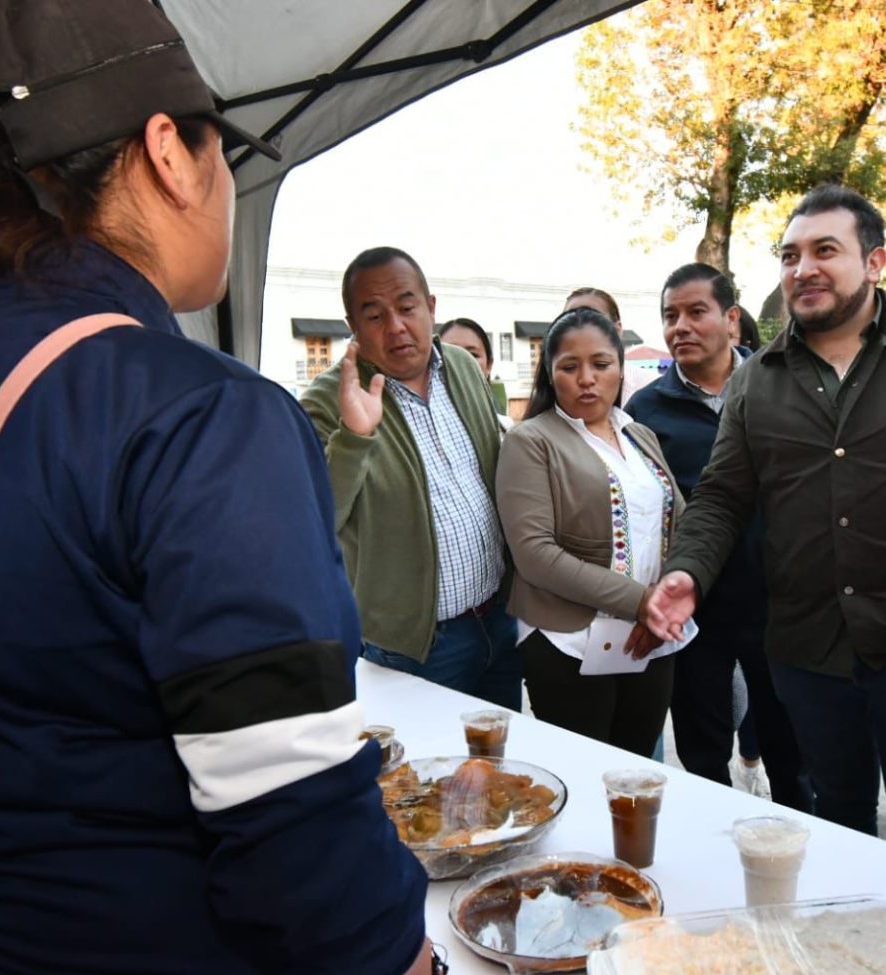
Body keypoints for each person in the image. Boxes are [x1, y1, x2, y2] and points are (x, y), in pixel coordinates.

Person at [0, 3, 457, 975]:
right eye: (224, 153)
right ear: (170, 151)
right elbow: (289, 820)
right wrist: (412, 972)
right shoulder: (204, 413)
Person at [645, 185, 886, 867]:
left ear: (875, 261)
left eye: (825, 251)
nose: (802, 269)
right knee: (838, 826)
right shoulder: (760, 382)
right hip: (807, 653)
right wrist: (686, 572)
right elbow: (723, 496)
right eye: (790, 255)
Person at [625, 263, 810, 809]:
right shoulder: (645, 411)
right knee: (703, 754)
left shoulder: (783, 385)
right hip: (696, 610)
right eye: (669, 315)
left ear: (731, 320)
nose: (680, 326)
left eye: (695, 312)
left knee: (790, 755)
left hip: (780, 606)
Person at [301, 247, 519, 711]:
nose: (396, 326)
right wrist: (356, 436)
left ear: (431, 307)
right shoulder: (329, 399)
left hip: (497, 621)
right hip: (417, 648)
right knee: (428, 780)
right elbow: (318, 516)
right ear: (352, 327)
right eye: (374, 315)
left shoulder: (462, 367)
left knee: (501, 769)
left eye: (406, 306)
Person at [496, 308, 682, 756]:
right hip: (570, 645)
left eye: (600, 364)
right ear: (550, 373)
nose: (586, 379)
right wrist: (643, 603)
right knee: (584, 783)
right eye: (569, 366)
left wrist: (665, 599)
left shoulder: (639, 435)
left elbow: (680, 519)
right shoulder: (532, 441)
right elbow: (535, 554)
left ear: (620, 368)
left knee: (637, 776)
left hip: (648, 642)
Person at [564, 286, 658, 403]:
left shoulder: (651, 387)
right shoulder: (555, 391)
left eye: (594, 319)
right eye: (570, 320)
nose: (581, 326)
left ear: (617, 330)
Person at [439, 317, 510, 425]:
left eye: (472, 354)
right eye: (450, 353)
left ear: (489, 365)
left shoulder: (506, 428)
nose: (461, 361)